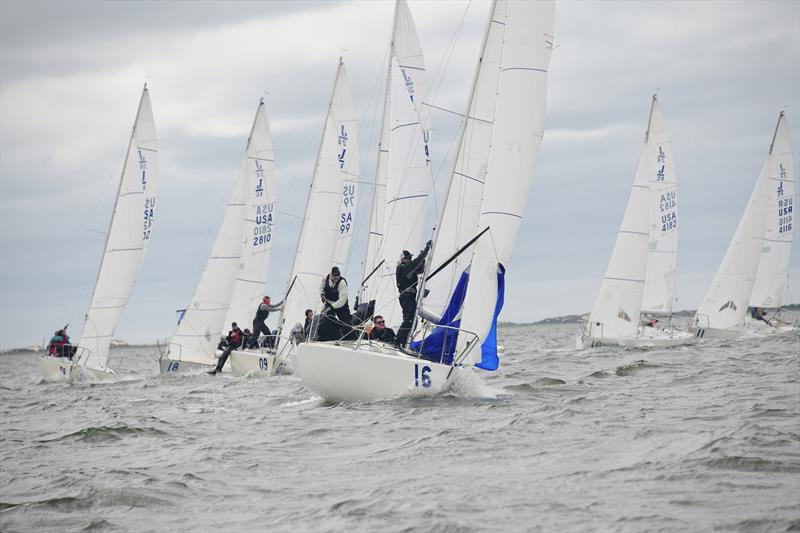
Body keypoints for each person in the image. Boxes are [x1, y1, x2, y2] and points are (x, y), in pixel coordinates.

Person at [395, 240, 432, 347]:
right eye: (408, 258)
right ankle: (399, 342)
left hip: (408, 296)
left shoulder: (406, 268)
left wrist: (424, 259)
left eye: (410, 258)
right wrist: (426, 250)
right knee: (408, 320)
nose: (410, 260)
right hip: (407, 297)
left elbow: (419, 269)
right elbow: (416, 263)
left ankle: (403, 341)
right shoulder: (404, 268)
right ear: (403, 259)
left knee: (412, 320)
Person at [318, 266, 352, 341]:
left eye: (338, 275)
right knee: (323, 320)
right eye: (334, 275)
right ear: (331, 274)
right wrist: (322, 295)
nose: (336, 277)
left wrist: (331, 308)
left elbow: (342, 300)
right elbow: (321, 288)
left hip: (341, 306)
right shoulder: (325, 279)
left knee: (346, 324)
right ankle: (322, 338)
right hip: (328, 303)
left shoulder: (342, 283)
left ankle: (349, 340)